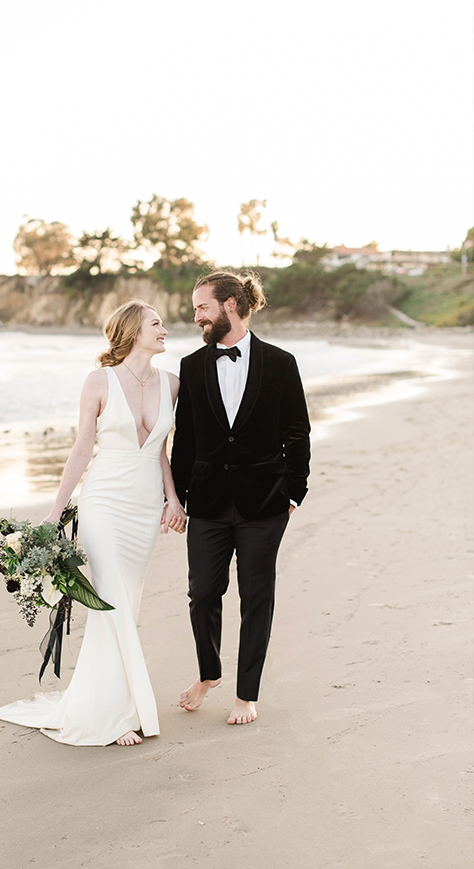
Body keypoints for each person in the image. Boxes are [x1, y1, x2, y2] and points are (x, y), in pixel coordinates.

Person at [0, 300, 186, 746]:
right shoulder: (99, 381)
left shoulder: (172, 384)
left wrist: (173, 500)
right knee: (110, 599)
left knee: (125, 603)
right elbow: (81, 448)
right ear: (134, 330)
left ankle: (110, 700)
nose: (165, 331)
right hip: (103, 500)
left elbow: (161, 451)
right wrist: (55, 513)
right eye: (157, 324)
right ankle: (115, 715)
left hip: (142, 506)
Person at [171, 269, 311, 725]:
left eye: (202, 308)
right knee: (202, 592)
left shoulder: (281, 363)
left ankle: (246, 694)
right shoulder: (192, 367)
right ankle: (209, 673)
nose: (196, 317)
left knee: (257, 597)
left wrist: (294, 492)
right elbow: (185, 440)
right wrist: (177, 497)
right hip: (208, 503)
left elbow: (297, 432)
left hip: (265, 503)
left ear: (230, 306)